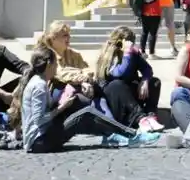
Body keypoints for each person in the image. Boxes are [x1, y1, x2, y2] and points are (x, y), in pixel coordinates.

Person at [12, 47, 156, 152]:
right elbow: (39, 120)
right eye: (55, 64)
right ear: (48, 64)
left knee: (78, 102)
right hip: (39, 142)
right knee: (86, 114)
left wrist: (66, 103)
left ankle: (112, 134)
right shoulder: (38, 85)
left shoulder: (40, 81)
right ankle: (132, 135)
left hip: (45, 135)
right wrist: (62, 107)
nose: (56, 68)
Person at [95, 26, 164, 132]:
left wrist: (145, 80)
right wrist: (127, 54)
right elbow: (118, 74)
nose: (131, 44)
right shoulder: (108, 54)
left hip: (131, 94)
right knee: (117, 84)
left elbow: (147, 69)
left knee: (154, 82)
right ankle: (141, 118)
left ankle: (151, 116)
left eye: (132, 41)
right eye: (128, 41)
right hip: (115, 98)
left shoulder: (132, 53)